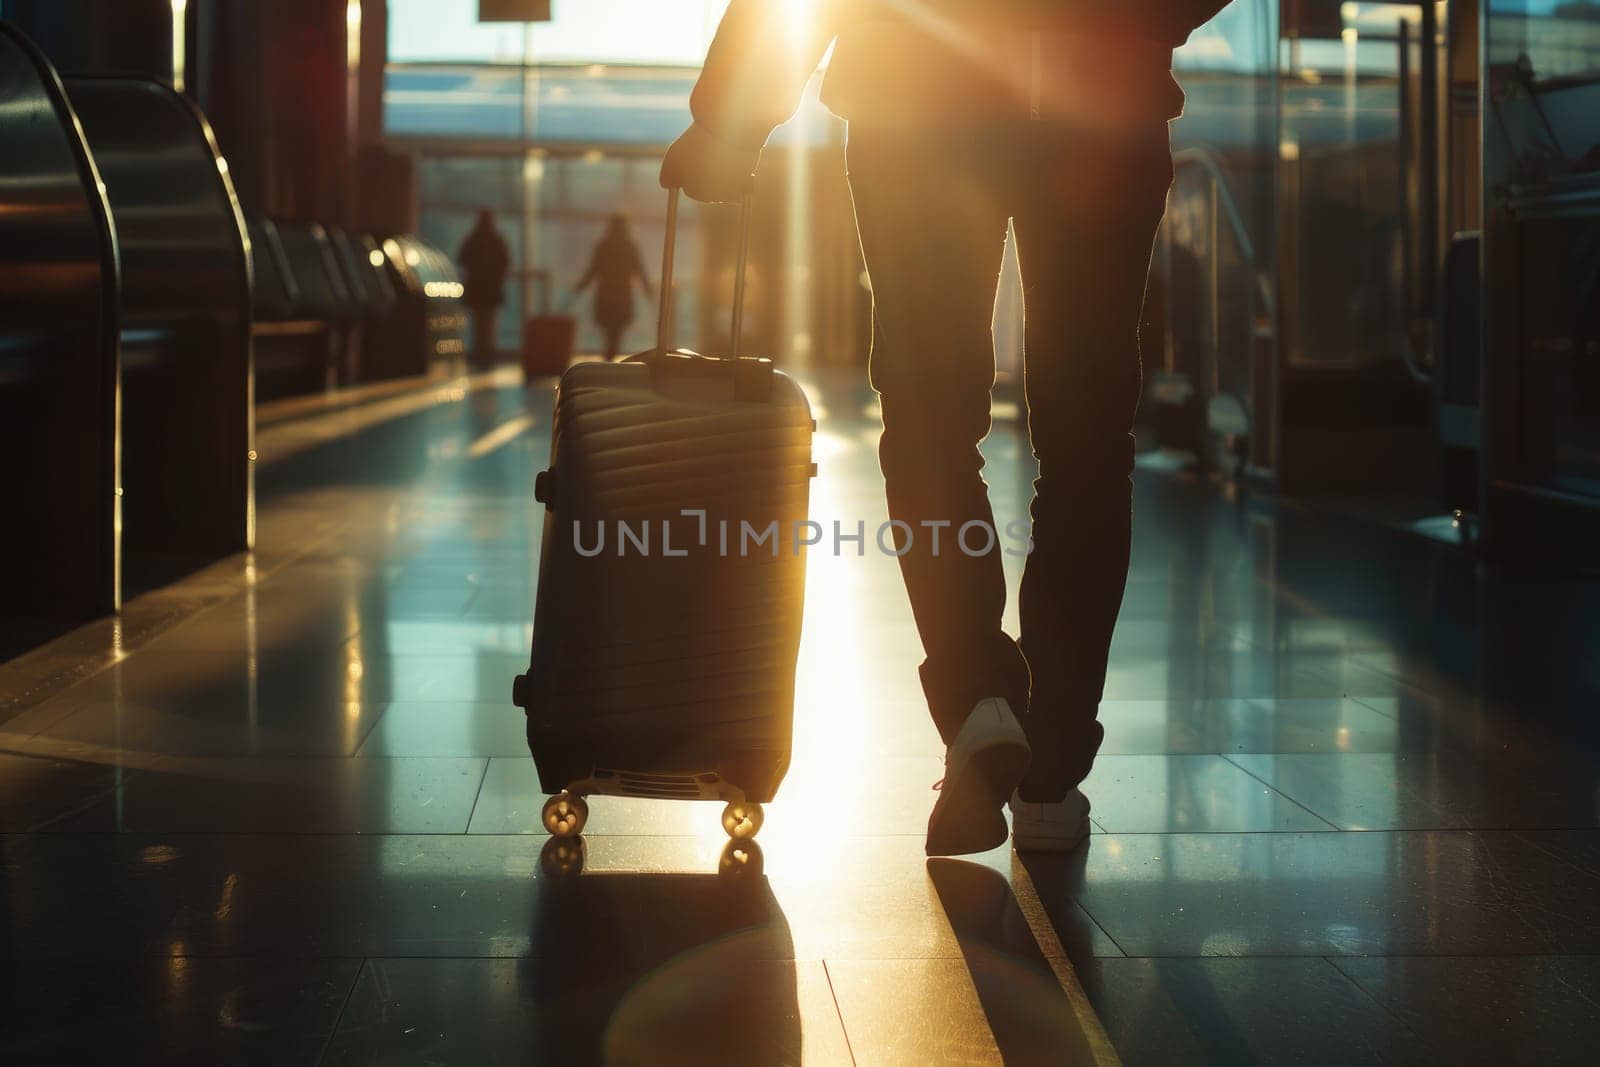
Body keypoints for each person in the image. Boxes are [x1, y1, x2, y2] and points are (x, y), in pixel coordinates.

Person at [663, 1, 1225, 856]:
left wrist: (729, 123)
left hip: (916, 100)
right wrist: (1135, 24)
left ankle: (977, 704)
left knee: (929, 416)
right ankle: (1052, 764)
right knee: (1086, 439)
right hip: (1099, 104)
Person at [574, 214, 654, 360]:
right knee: (617, 329)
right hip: (623, 294)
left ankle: (609, 354)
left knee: (608, 329)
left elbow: (593, 270)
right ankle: (610, 354)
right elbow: (639, 270)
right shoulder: (630, 247)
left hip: (605, 294)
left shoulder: (603, 246)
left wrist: (580, 287)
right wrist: (647, 289)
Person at [457, 209, 511, 366]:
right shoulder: (497, 240)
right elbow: (505, 262)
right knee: (489, 322)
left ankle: (479, 353)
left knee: (479, 324)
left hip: (477, 288)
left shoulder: (472, 239)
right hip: (492, 289)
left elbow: (462, 259)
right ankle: (487, 353)